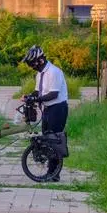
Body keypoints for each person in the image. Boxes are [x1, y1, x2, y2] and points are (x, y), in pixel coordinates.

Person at [23, 45, 69, 181]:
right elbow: (38, 91)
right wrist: (30, 96)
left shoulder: (54, 72)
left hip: (58, 108)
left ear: (40, 60)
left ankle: (54, 173)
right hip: (47, 109)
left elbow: (53, 94)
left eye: (32, 63)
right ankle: (51, 172)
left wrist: (37, 98)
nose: (32, 66)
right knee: (46, 139)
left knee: (54, 140)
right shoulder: (40, 74)